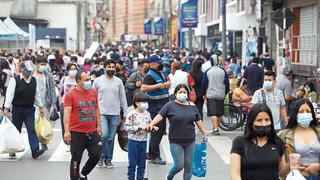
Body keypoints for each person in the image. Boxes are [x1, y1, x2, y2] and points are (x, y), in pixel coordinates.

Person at [147, 84, 207, 180]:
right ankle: (169, 177)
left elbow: (198, 120)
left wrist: (204, 132)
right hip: (175, 141)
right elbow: (160, 115)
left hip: (190, 140)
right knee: (179, 165)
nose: (182, 94)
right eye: (180, 92)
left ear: (188, 94)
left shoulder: (192, 106)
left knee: (189, 167)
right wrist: (151, 124)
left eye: (184, 92)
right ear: (175, 94)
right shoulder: (170, 105)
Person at [230, 103, 289, 180]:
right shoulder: (240, 142)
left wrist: (290, 165)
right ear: (251, 123)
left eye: (267, 120)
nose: (264, 124)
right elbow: (235, 174)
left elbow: (281, 172)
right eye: (259, 120)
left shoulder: (277, 142)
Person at [63, 71, 102, 180]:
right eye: (86, 80)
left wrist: (98, 125)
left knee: (96, 155)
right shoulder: (70, 95)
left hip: (92, 131)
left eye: (89, 79)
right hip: (76, 133)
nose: (89, 82)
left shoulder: (93, 92)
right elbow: (67, 113)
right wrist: (67, 131)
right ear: (78, 81)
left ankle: (84, 174)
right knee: (76, 159)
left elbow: (97, 108)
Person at [3, 61, 46, 158]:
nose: (30, 72)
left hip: (29, 109)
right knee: (16, 130)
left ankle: (35, 151)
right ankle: (12, 149)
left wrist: (41, 107)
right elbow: (9, 95)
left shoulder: (33, 80)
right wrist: (6, 108)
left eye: (31, 71)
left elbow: (37, 94)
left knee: (31, 129)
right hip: (18, 109)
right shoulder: (15, 80)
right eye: (28, 70)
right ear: (23, 69)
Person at [93, 59, 128, 168]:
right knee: (104, 135)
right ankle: (101, 157)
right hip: (102, 113)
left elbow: (123, 97)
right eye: (109, 67)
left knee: (111, 138)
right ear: (104, 68)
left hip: (115, 114)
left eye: (113, 67)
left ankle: (108, 159)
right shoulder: (97, 81)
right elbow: (92, 97)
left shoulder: (118, 81)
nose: (111, 69)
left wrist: (125, 112)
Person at [278, 98, 320, 180]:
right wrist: (291, 166)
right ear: (295, 114)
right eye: (301, 111)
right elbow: (279, 169)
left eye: (308, 111)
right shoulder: (283, 135)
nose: (305, 114)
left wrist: (318, 167)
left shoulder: (318, 133)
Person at [141, 54, 170, 165]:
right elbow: (143, 88)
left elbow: (163, 83)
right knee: (156, 131)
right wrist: (158, 86)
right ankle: (154, 155)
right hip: (155, 107)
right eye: (158, 63)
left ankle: (152, 153)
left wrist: (166, 85)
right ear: (152, 64)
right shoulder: (149, 75)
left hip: (162, 105)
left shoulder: (161, 72)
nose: (160, 64)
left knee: (160, 131)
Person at [124, 92, 151, 180]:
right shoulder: (131, 114)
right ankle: (131, 178)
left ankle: (140, 178)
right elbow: (127, 127)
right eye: (143, 102)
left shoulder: (147, 114)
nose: (145, 104)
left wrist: (152, 127)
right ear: (136, 103)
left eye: (146, 102)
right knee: (132, 163)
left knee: (142, 164)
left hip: (144, 142)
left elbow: (150, 124)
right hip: (133, 142)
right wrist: (139, 128)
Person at [202, 54, 230, 135]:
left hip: (211, 94)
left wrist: (204, 93)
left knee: (213, 112)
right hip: (221, 94)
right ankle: (216, 127)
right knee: (220, 112)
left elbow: (204, 84)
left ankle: (215, 129)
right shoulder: (223, 71)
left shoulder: (208, 71)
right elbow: (227, 83)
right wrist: (226, 92)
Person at [33, 56, 57, 150]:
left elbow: (52, 89)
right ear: (36, 64)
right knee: (35, 124)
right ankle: (36, 144)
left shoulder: (47, 75)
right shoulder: (31, 74)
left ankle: (43, 143)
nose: (43, 66)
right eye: (41, 64)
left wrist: (53, 103)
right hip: (33, 104)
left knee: (44, 124)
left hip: (45, 104)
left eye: (44, 64)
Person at [59, 63, 78, 143]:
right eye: (71, 69)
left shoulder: (79, 79)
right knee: (65, 124)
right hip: (65, 105)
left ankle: (75, 141)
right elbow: (60, 92)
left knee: (75, 125)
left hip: (76, 106)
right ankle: (67, 142)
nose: (73, 71)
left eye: (74, 69)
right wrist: (60, 103)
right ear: (68, 71)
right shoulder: (64, 79)